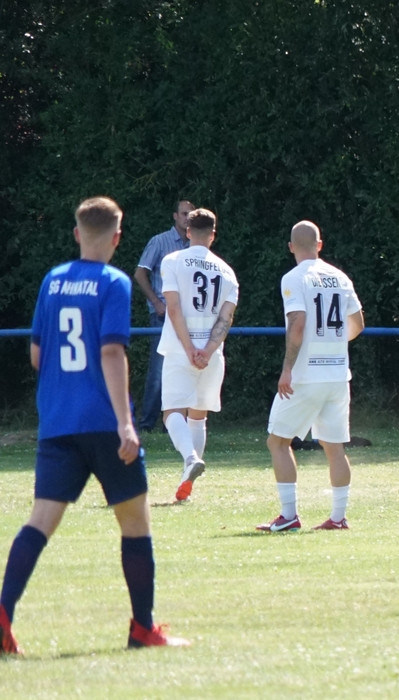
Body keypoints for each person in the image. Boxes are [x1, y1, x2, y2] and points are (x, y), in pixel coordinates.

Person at [0, 197, 188, 656]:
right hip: (104, 423)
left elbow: (37, 355)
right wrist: (126, 424)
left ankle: (2, 616)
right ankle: (142, 628)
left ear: (76, 233)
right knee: (135, 523)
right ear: (118, 237)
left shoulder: (52, 280)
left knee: (40, 522)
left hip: (57, 422)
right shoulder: (114, 282)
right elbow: (110, 352)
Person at [257, 221, 365, 533]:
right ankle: (338, 517)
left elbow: (298, 324)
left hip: (306, 375)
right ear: (320, 245)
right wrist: (333, 342)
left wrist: (287, 368)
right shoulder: (340, 277)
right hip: (338, 374)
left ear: (291, 247)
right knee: (335, 447)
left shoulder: (293, 277)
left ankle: (289, 515)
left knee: (278, 441)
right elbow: (357, 323)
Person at [157, 208, 239, 502]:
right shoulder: (227, 271)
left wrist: (189, 348)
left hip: (181, 349)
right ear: (213, 235)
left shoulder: (172, 261)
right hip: (211, 356)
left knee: (171, 412)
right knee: (198, 416)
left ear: (188, 231)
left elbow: (173, 308)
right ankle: (186, 483)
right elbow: (226, 319)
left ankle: (191, 459)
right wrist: (206, 350)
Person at [134, 200, 194, 431]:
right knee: (158, 370)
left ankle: (174, 422)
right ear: (175, 216)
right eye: (184, 214)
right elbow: (140, 274)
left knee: (184, 367)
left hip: (187, 316)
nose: (187, 218)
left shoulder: (194, 245)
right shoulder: (159, 241)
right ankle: (147, 423)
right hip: (162, 315)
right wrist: (156, 302)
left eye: (190, 214)